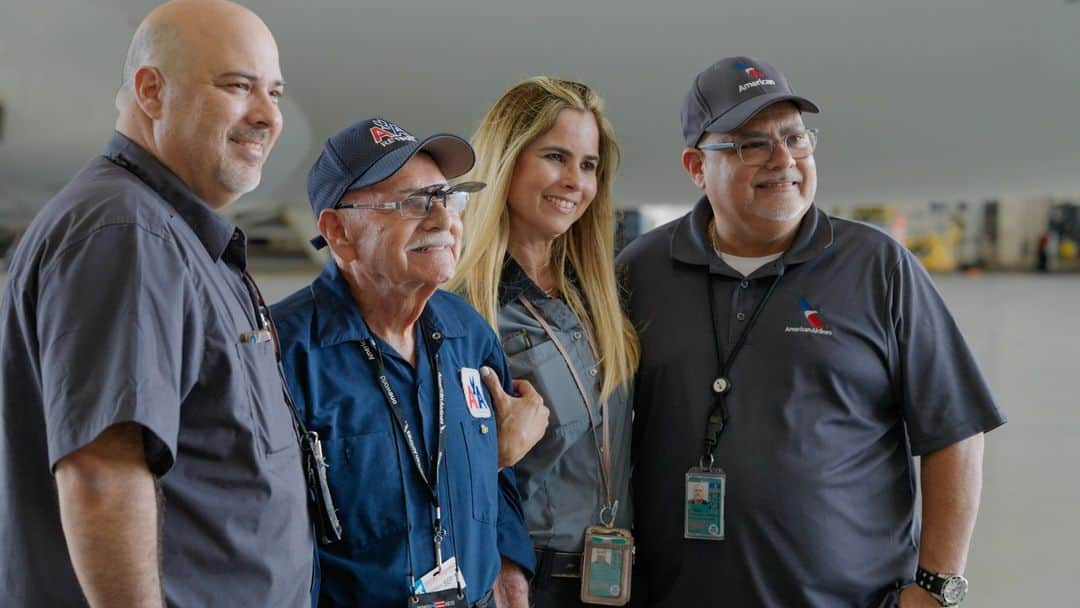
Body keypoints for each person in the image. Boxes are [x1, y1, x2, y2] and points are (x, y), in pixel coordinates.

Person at [617, 56, 1005, 608]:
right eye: (752, 145)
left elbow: (956, 429)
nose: (783, 160)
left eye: (795, 137)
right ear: (696, 166)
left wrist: (937, 589)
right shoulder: (641, 271)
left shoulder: (876, 267)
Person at [0, 1, 313, 606]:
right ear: (150, 91)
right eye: (238, 86)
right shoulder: (126, 233)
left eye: (274, 92)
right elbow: (102, 474)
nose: (268, 116)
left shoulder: (174, 236)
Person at [271, 117, 543, 608]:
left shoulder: (469, 333)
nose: (444, 220)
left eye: (447, 198)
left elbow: (498, 491)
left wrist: (513, 586)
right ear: (340, 232)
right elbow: (266, 539)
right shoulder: (281, 354)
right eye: (414, 204)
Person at [450, 77, 640, 607]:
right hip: (525, 580)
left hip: (616, 577)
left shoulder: (597, 296)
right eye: (556, 156)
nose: (574, 181)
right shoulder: (463, 307)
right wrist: (499, 450)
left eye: (588, 164)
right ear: (507, 160)